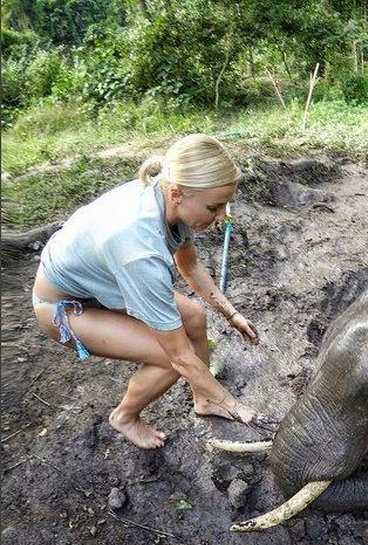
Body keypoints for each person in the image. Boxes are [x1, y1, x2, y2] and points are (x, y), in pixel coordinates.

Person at [32, 133, 266, 449]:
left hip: (104, 283)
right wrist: (235, 405)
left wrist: (232, 313)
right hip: (65, 307)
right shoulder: (138, 249)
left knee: (194, 317)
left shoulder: (171, 202)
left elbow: (190, 266)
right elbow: (180, 356)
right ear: (177, 193)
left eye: (225, 204)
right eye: (214, 207)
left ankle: (205, 401)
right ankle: (125, 416)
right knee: (169, 360)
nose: (223, 217)